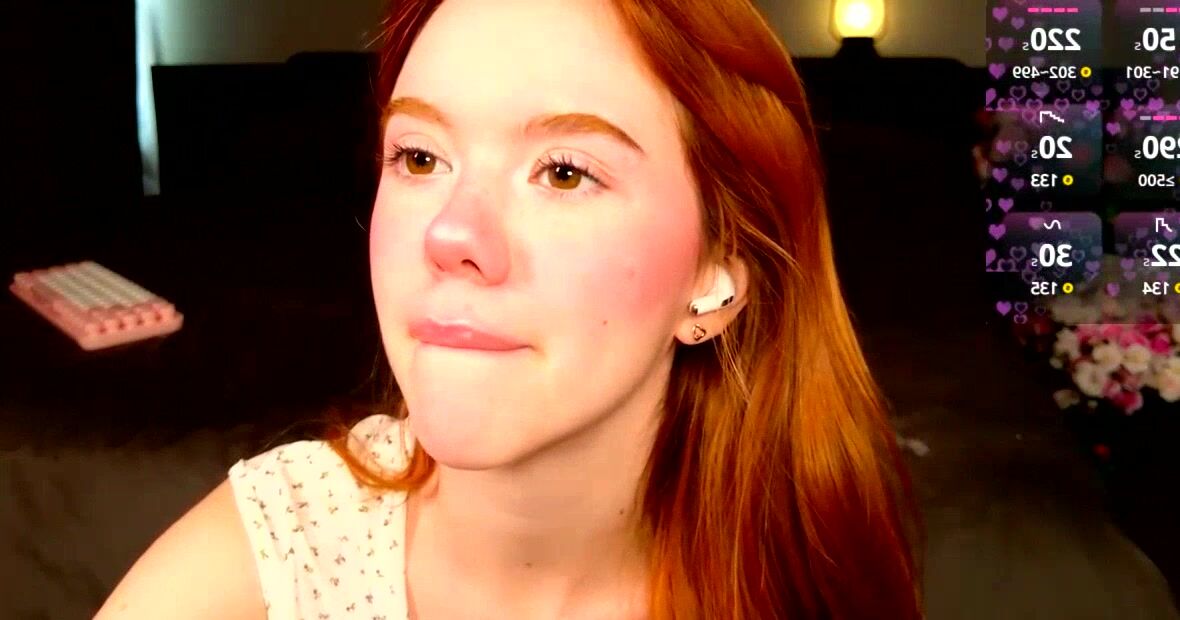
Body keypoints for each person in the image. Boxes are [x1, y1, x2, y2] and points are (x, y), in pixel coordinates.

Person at [96, 0, 923, 617]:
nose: (450, 234)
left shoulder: (806, 571)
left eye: (564, 172)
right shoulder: (277, 552)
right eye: (420, 157)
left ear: (717, 276)